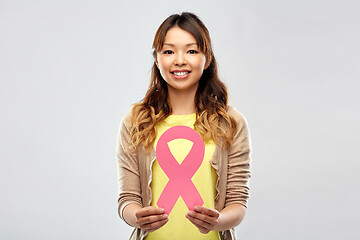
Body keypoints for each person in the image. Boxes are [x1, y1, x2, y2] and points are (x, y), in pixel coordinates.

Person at [116, 12, 252, 240]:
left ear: (206, 59)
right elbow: (127, 200)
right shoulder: (136, 121)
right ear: (157, 59)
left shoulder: (231, 122)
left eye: (191, 51)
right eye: (168, 51)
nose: (179, 60)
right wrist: (137, 216)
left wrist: (217, 221)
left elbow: (238, 203)